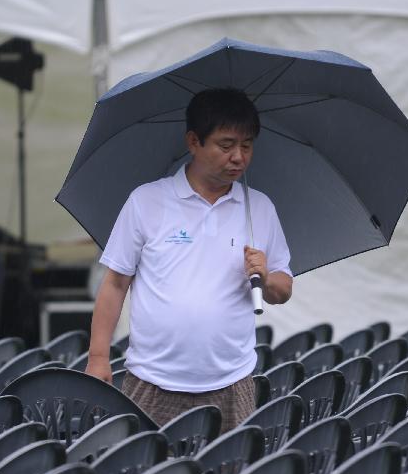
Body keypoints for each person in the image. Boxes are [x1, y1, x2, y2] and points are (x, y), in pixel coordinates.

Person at [85, 88, 293, 432]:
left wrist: (267, 277)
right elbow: (116, 283)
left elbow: (283, 288)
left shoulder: (260, 208)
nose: (238, 157)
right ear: (193, 141)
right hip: (151, 379)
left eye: (247, 145)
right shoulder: (147, 201)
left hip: (232, 379)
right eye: (226, 146)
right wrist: (98, 357)